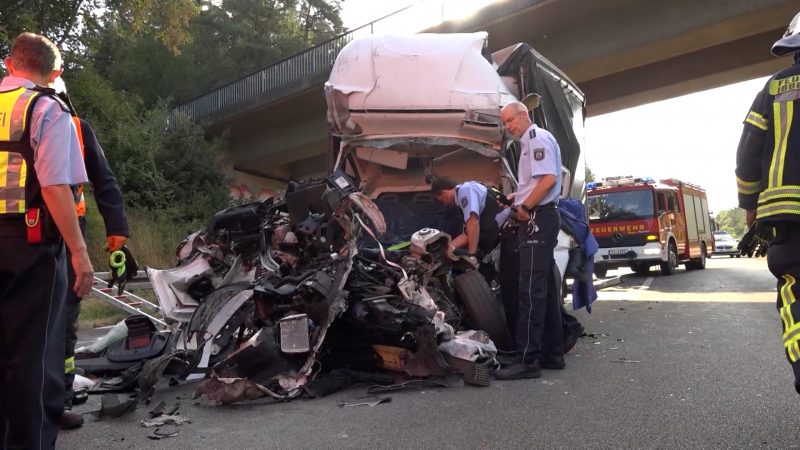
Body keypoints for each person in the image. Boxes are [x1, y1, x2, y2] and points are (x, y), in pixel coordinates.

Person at [0, 32, 93, 449]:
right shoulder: (46, 108)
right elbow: (56, 187)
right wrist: (79, 254)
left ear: (9, 64)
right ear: (54, 73)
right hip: (30, 247)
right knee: (33, 358)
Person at [51, 78, 130, 430]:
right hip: (21, 234)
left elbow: (104, 180)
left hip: (68, 234)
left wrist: (117, 230)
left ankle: (58, 400)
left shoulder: (78, 129)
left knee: (64, 319)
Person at [735, 10, 800, 395]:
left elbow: (747, 154)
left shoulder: (774, 88)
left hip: (790, 222)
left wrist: (749, 202)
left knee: (796, 300)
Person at [494, 100, 564, 380]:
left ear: (524, 115)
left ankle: (528, 359)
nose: (508, 126)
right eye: (505, 123)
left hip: (537, 219)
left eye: (510, 120)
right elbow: (538, 181)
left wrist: (524, 208)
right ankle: (552, 353)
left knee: (530, 290)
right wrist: (517, 196)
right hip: (543, 216)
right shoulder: (534, 141)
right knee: (544, 288)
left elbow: (548, 179)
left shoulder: (535, 138)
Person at [430, 177, 508, 261]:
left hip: (507, 233)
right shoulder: (461, 201)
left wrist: (472, 255)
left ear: (443, 193)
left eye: (441, 201)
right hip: (500, 239)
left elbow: (473, 222)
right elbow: (467, 234)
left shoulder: (465, 190)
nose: (444, 204)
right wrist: (447, 249)